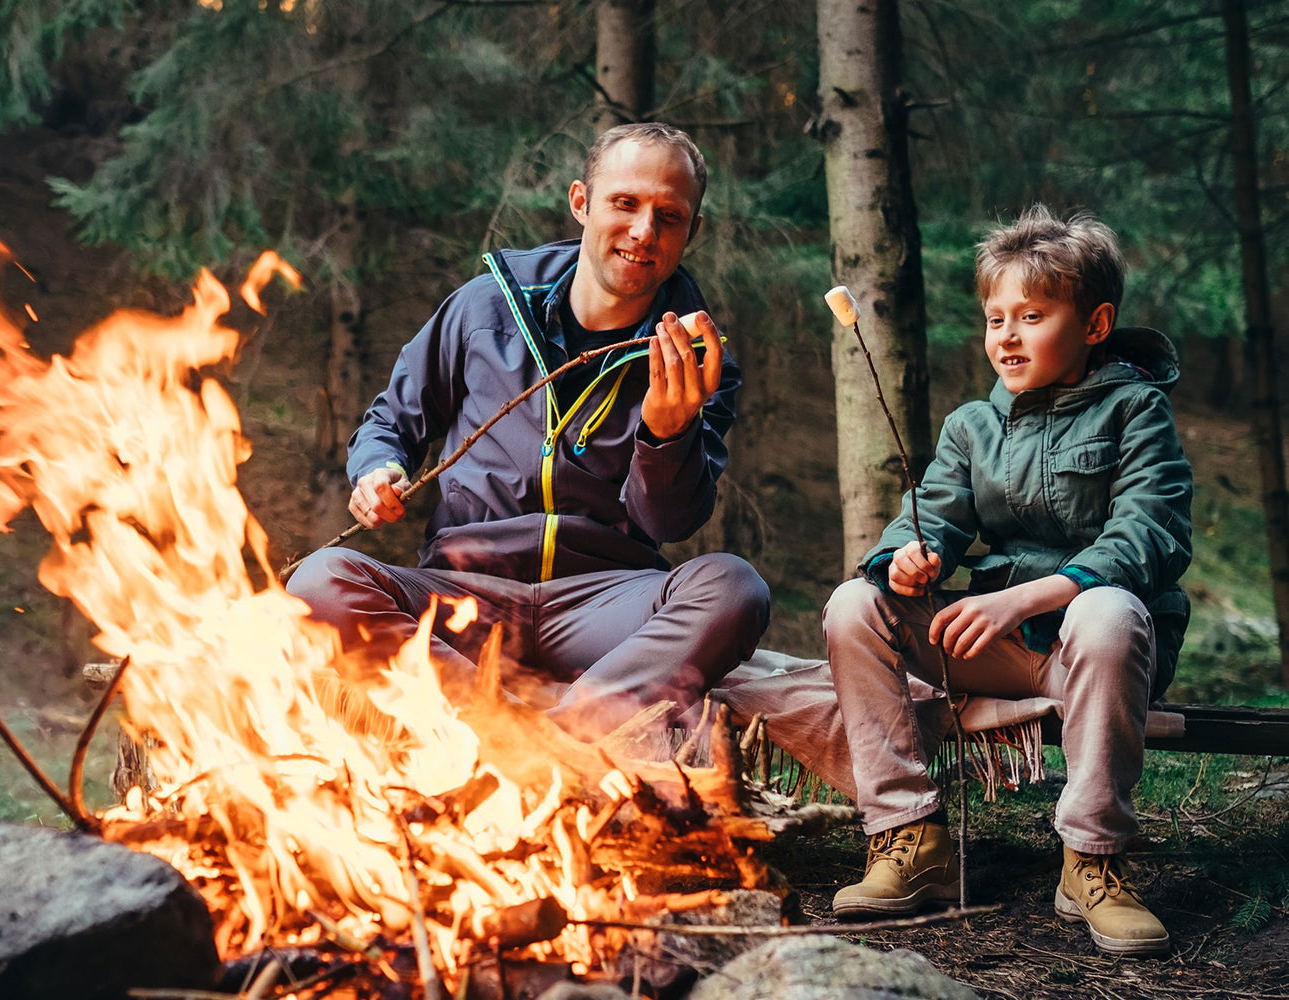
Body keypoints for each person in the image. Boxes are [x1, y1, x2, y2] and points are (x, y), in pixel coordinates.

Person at [288, 122, 770, 739]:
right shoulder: (484, 310)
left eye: (669, 216)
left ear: (691, 231)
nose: (643, 231)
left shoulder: (698, 358)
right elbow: (391, 421)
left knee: (734, 588)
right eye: (625, 203)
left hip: (604, 605)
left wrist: (666, 436)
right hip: (461, 592)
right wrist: (378, 468)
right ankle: (507, 731)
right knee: (318, 581)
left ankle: (560, 736)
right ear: (581, 202)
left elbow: (668, 525)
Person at [821, 204, 1192, 956]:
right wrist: (907, 558)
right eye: (996, 318)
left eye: (1032, 314)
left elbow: (1153, 530)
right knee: (856, 604)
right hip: (997, 645)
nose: (1008, 335)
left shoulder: (1137, 409)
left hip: (1099, 653)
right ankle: (909, 837)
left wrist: (1036, 593)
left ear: (1094, 325)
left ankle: (1091, 860)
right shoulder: (972, 428)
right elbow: (929, 518)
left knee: (1109, 612)